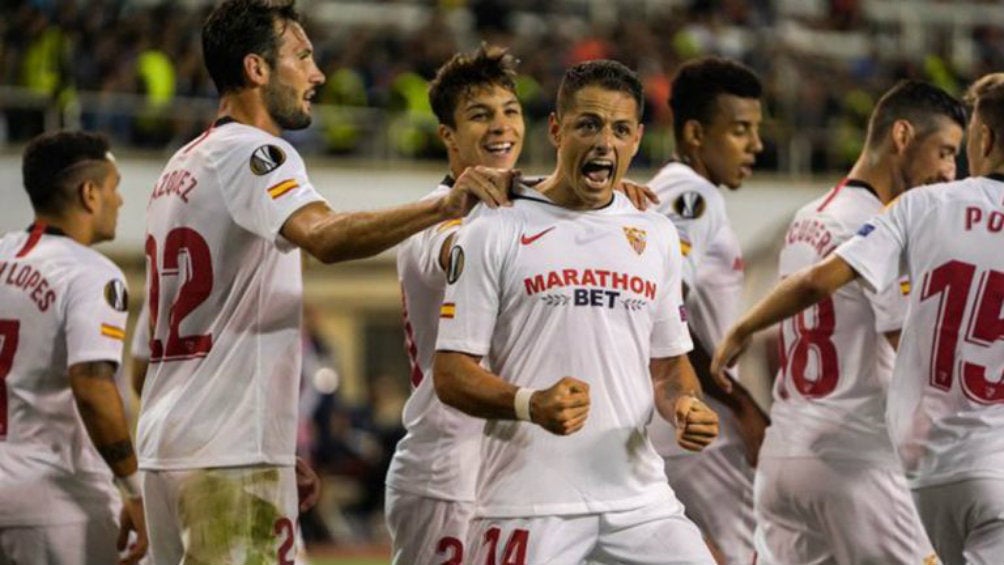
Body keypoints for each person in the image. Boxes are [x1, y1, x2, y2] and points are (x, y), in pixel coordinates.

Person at [135, 1, 512, 564]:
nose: (318, 74)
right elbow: (327, 236)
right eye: (303, 56)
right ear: (258, 69)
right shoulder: (258, 152)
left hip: (168, 449)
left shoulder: (178, 168)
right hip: (229, 454)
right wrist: (443, 207)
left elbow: (143, 359)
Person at [433, 59, 721, 565]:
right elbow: (451, 374)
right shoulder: (494, 226)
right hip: (527, 502)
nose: (604, 141)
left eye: (620, 129)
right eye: (588, 124)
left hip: (639, 501)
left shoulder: (654, 234)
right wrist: (529, 403)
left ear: (636, 140)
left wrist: (685, 406)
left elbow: (670, 366)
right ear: (556, 129)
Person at [712, 77, 1004, 565]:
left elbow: (811, 286)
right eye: (945, 153)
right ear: (903, 137)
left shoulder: (811, 215)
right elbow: (912, 340)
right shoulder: (896, 222)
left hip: (786, 456)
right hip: (862, 460)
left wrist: (741, 328)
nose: (949, 171)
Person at [385, 44, 525, 565]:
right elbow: (457, 250)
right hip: (446, 470)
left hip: (506, 467)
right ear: (448, 135)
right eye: (479, 115)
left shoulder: (519, 212)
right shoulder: (431, 220)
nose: (500, 126)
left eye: (510, 111)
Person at [642, 56, 768, 564]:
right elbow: (663, 305)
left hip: (678, 420)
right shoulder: (690, 194)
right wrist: (739, 404)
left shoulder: (685, 192)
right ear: (695, 133)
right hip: (699, 424)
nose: (756, 145)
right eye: (740, 130)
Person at [0, 131, 147, 564]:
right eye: (113, 186)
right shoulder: (90, 274)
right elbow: (91, 386)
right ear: (89, 193)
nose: (119, 200)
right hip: (55, 498)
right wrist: (134, 487)